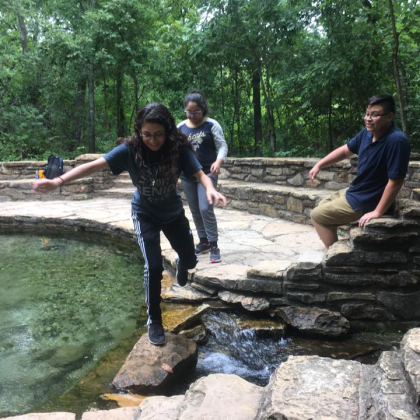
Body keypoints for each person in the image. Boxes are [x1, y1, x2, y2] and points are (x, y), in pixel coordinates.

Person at [33, 102, 227, 346]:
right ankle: (154, 320)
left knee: (190, 260)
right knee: (153, 266)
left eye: (158, 134)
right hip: (144, 213)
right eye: (147, 134)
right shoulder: (130, 149)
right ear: (139, 131)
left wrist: (211, 190)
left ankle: (181, 263)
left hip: (173, 213)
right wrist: (58, 180)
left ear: (167, 130)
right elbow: (95, 165)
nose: (153, 140)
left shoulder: (178, 148)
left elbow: (200, 175)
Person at [310, 94, 411, 250]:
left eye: (375, 114)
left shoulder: (396, 141)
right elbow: (345, 151)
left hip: (367, 200)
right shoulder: (367, 133)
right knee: (321, 205)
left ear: (389, 116)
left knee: (318, 216)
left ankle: (334, 254)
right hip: (356, 191)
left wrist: (377, 211)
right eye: (367, 113)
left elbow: (396, 181)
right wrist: (319, 164)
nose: (368, 118)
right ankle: (333, 246)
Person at [177, 90, 228, 263]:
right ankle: (204, 241)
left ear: (203, 110)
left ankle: (214, 245)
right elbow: (175, 152)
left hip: (207, 173)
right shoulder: (180, 127)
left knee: (206, 208)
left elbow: (222, 146)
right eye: (189, 112)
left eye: (196, 112)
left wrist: (219, 161)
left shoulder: (211, 125)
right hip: (186, 175)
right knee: (195, 210)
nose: (192, 115)